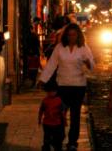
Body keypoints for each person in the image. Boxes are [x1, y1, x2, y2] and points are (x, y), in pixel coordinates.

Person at [39, 23, 95, 151]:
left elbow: (92, 65)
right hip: (62, 85)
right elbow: (51, 65)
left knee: (75, 116)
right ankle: (58, 139)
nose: (71, 37)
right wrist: (42, 79)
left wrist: (88, 63)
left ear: (78, 35)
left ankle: (72, 142)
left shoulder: (83, 47)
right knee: (60, 115)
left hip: (78, 86)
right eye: (69, 35)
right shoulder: (59, 48)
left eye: (74, 34)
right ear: (66, 36)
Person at [38, 82, 66, 151]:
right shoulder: (45, 101)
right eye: (49, 91)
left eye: (53, 91)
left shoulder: (59, 100)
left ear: (56, 91)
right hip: (47, 123)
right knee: (47, 137)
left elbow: (62, 111)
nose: (51, 93)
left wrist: (64, 121)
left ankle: (56, 146)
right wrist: (39, 119)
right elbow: (41, 110)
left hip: (57, 123)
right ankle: (46, 146)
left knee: (58, 137)